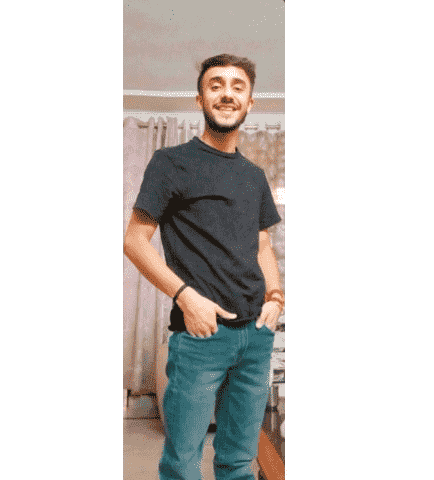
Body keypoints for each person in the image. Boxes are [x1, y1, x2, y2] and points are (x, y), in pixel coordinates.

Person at [124, 53, 284, 480]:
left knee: (238, 463)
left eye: (237, 86)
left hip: (256, 337)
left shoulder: (254, 176)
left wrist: (275, 297)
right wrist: (186, 297)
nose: (227, 94)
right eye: (216, 85)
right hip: (200, 335)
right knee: (182, 464)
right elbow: (134, 241)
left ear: (250, 102)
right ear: (200, 99)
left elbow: (262, 245)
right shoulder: (171, 162)